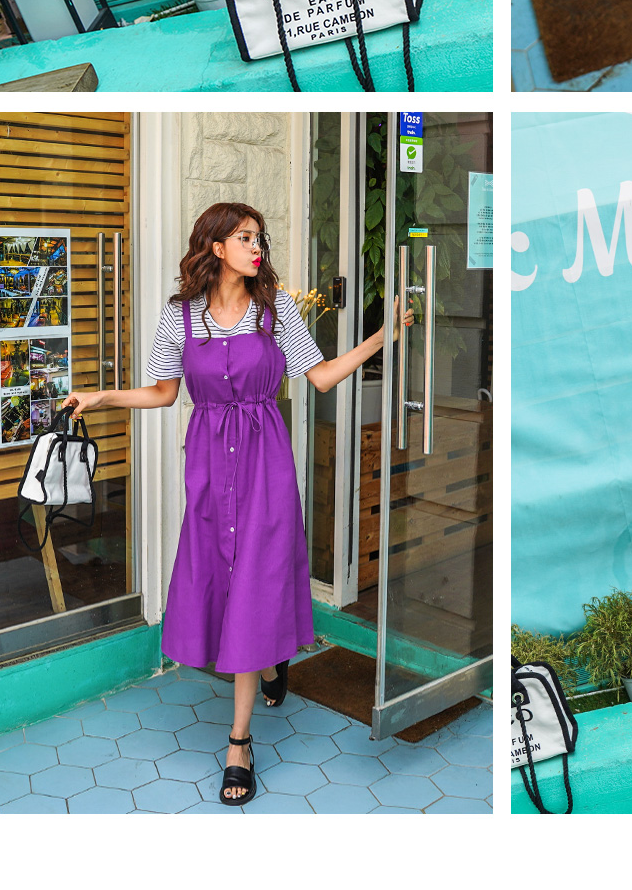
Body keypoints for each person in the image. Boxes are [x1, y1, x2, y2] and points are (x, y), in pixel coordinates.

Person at [67, 202, 407, 806]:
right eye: (245, 238)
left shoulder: (276, 313)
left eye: (260, 238)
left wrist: (381, 339)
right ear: (216, 247)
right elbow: (163, 394)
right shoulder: (180, 316)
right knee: (218, 574)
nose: (257, 247)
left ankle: (239, 742)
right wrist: (100, 397)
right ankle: (270, 662)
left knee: (253, 580)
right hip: (207, 465)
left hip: (265, 464)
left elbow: (321, 377)